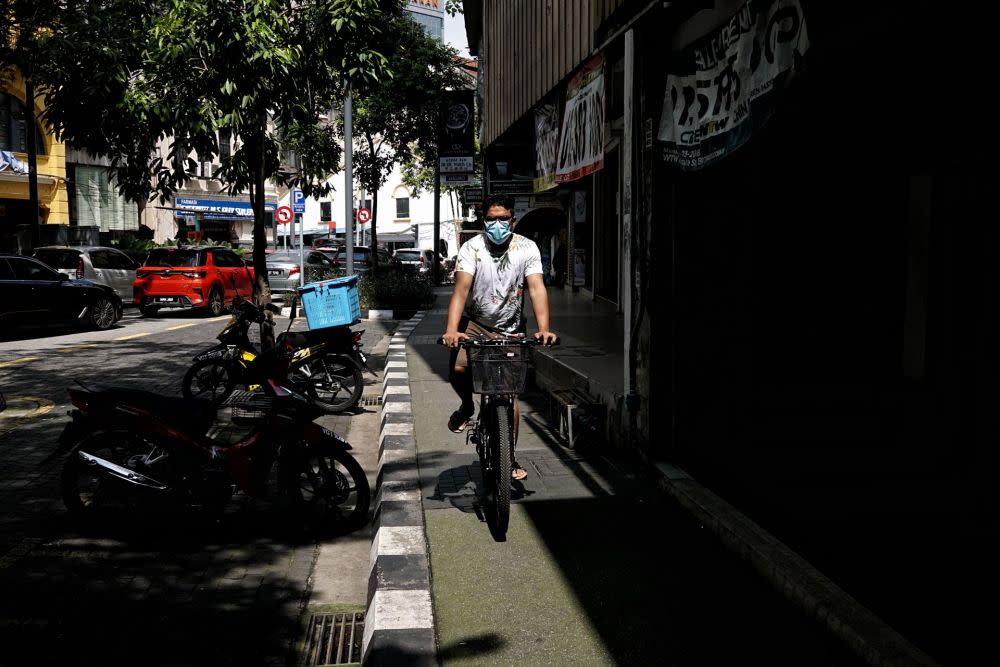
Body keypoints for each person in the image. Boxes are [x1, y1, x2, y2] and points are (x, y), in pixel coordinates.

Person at [441, 195, 558, 480]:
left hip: (511, 329)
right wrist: (452, 329)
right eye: (491, 219)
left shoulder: (526, 248)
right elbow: (460, 290)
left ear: (512, 220)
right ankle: (467, 406)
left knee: (509, 394)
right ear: (484, 220)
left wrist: (544, 327)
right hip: (477, 324)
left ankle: (510, 457)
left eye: (503, 218)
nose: (497, 224)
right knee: (457, 368)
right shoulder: (472, 247)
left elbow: (537, 288)